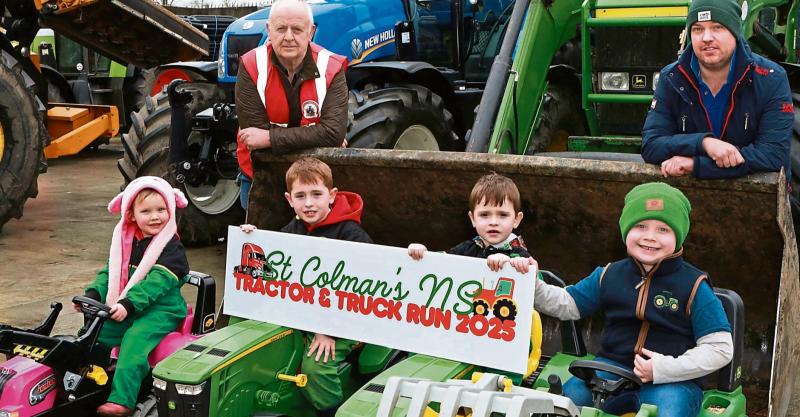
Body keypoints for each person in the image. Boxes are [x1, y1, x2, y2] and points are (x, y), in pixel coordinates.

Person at [532, 182, 733, 417]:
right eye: (640, 226)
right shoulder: (609, 274)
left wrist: (664, 368)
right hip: (610, 369)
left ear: (679, 236)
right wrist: (530, 284)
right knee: (563, 403)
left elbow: (720, 348)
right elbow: (567, 304)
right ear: (625, 229)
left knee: (669, 412)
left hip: (673, 381)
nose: (650, 237)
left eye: (663, 230)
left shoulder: (694, 286)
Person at [241, 157, 369, 416]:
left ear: (331, 196)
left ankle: (331, 410)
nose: (308, 203)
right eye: (300, 196)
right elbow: (274, 266)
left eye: (316, 194)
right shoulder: (294, 229)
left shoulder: (351, 235)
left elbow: (361, 291)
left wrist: (328, 330)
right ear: (289, 200)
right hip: (304, 315)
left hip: (343, 322)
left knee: (316, 368)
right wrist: (254, 238)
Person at [77, 176, 190, 417]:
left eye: (162, 209)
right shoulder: (124, 243)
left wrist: (128, 304)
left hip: (162, 310)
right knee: (95, 333)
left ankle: (122, 400)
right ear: (130, 214)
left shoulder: (171, 248)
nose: (155, 216)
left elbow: (155, 284)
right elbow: (110, 272)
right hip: (129, 306)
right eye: (146, 211)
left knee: (134, 341)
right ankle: (87, 382)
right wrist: (93, 293)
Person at [641, 0, 792, 180]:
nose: (706, 37)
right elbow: (651, 145)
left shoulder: (770, 78)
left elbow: (773, 155)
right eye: (697, 29)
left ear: (735, 32)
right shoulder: (672, 77)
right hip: (689, 193)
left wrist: (695, 165)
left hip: (760, 197)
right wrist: (704, 143)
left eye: (717, 27)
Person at [235, 0, 349, 209]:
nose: (288, 37)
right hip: (261, 175)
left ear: (311, 31)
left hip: (314, 186)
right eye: (280, 28)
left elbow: (333, 133)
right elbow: (254, 140)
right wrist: (318, 135)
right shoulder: (251, 65)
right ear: (269, 30)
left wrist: (269, 137)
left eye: (297, 29)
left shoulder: (331, 67)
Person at [407, 173, 533, 274]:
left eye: (503, 215)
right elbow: (443, 260)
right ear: (473, 219)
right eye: (484, 215)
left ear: (516, 220)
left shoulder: (519, 253)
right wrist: (424, 254)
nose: (493, 222)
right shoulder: (469, 247)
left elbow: (534, 276)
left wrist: (511, 264)